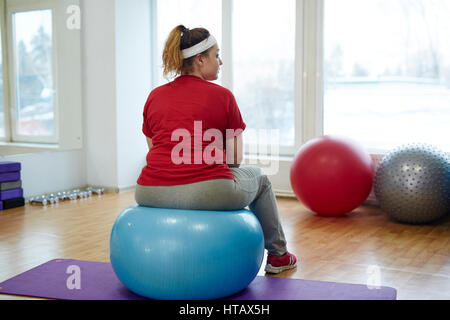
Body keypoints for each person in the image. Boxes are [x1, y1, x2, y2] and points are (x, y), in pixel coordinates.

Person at [135, 25, 297, 274]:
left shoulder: (154, 96)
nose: (220, 62)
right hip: (208, 190)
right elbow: (235, 159)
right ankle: (278, 256)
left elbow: (154, 147)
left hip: (149, 191)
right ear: (200, 60)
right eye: (216, 55)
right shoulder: (223, 96)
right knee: (261, 179)